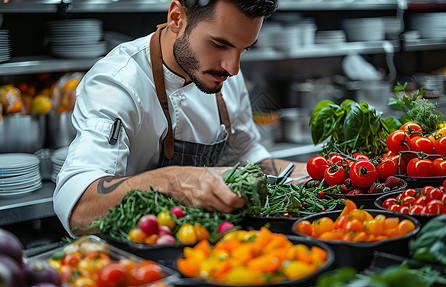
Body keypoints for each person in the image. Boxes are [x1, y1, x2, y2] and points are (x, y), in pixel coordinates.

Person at [53, 0, 309, 236]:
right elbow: (79, 208)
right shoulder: (117, 83)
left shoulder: (224, 73)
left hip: (209, 247)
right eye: (220, 44)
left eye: (244, 49)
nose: (233, 68)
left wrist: (309, 173)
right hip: (139, 256)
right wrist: (174, 181)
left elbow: (245, 154)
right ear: (176, 18)